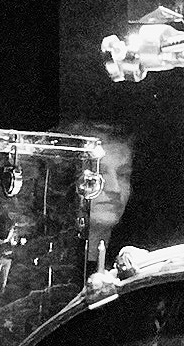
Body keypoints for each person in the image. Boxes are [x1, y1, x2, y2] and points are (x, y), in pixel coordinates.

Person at [56, 117, 137, 273]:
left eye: (123, 175)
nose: (115, 189)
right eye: (99, 173)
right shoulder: (38, 271)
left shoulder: (136, 264)